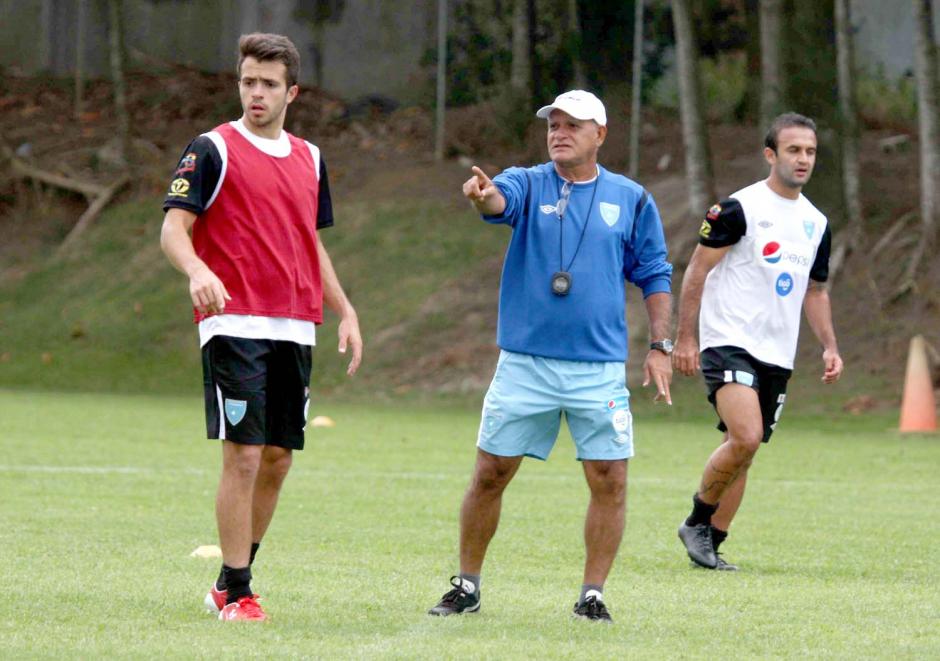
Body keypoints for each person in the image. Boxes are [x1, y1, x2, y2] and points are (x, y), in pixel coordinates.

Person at [427, 90, 674, 622]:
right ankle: (466, 584)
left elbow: (654, 273)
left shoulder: (630, 198)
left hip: (599, 367)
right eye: (554, 124)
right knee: (490, 472)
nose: (559, 132)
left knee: (610, 479)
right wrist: (482, 195)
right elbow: (498, 201)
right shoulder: (527, 180)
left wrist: (660, 346)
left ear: (600, 135)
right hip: (525, 364)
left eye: (573, 125)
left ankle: (593, 595)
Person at [160, 33, 362, 621]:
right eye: (248, 80)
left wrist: (345, 309)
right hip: (233, 320)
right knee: (243, 456)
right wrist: (196, 268)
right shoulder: (212, 149)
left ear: (291, 92)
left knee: (277, 458)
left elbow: (310, 242)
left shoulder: (311, 158)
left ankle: (228, 579)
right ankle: (241, 593)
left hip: (296, 325)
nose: (256, 92)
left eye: (269, 84)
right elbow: (174, 229)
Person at [673, 112, 843, 571]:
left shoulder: (816, 223)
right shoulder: (738, 208)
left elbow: (816, 290)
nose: (803, 159)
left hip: (777, 351)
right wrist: (684, 337)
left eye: (809, 151)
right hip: (727, 339)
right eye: (793, 150)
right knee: (745, 436)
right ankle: (695, 521)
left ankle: (712, 543)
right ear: (771, 155)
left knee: (744, 449)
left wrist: (829, 345)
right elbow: (697, 271)